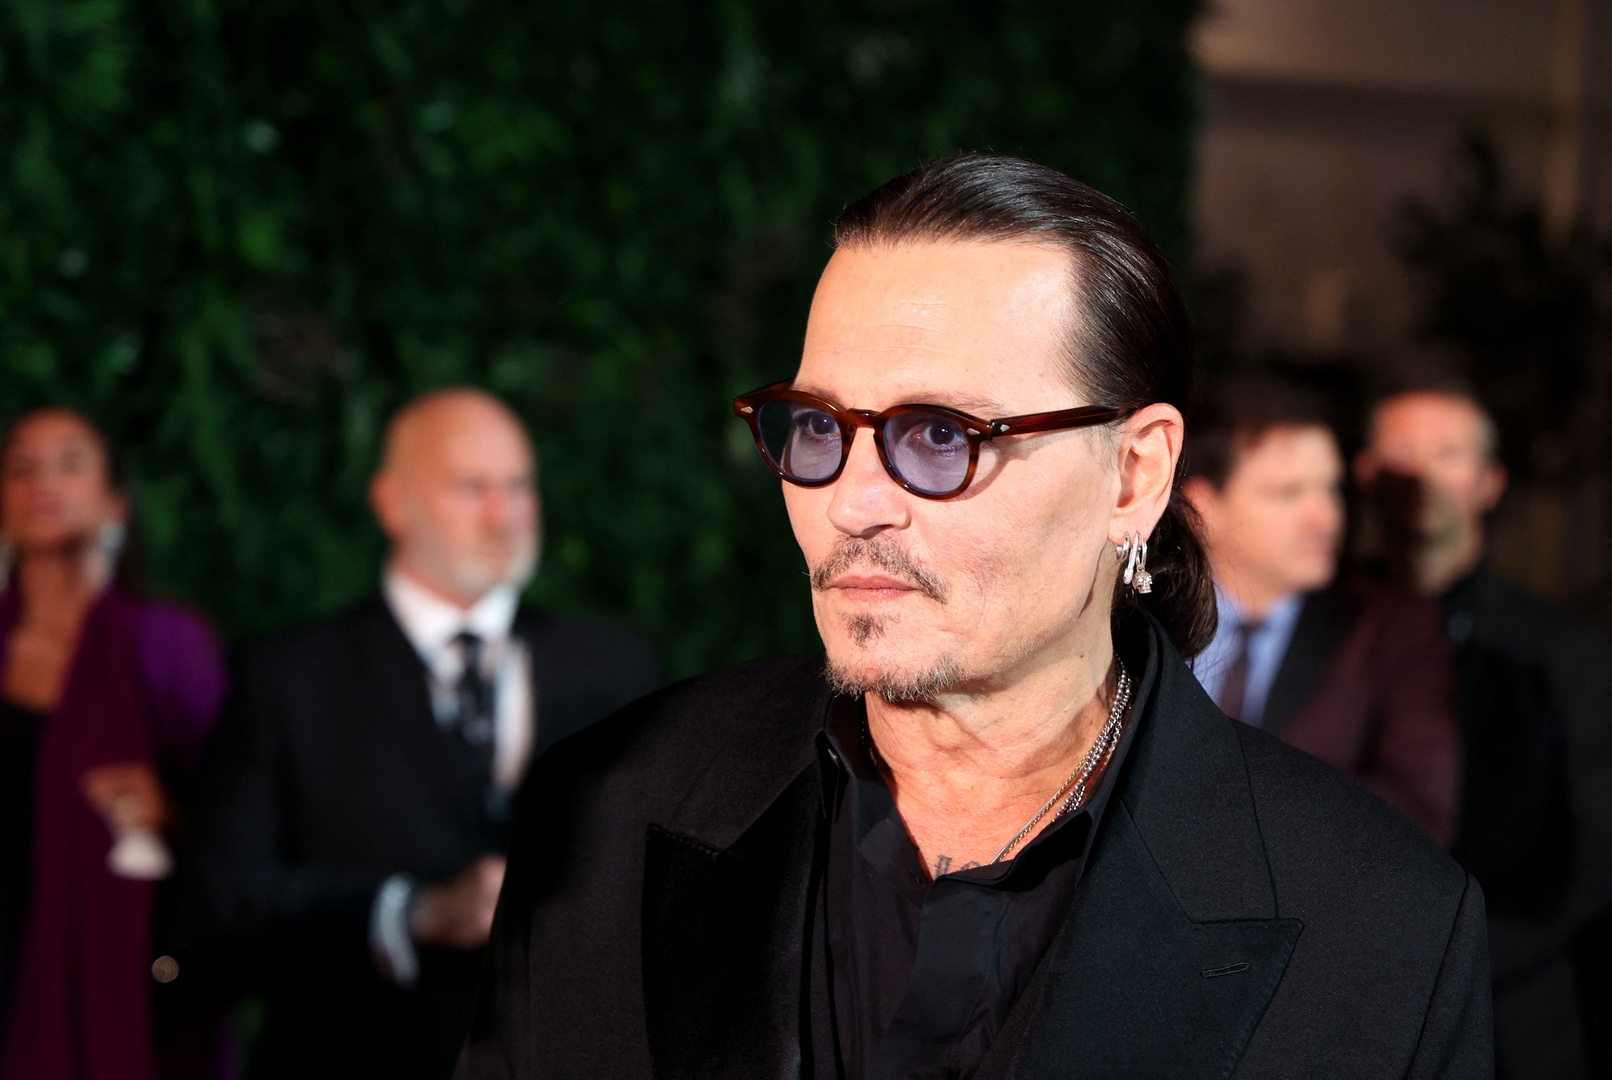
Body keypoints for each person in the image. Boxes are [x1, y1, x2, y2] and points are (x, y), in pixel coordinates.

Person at [458, 155, 1489, 1080]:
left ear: (1134, 476)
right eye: (819, 426)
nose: (853, 502)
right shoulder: (608, 811)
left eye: (941, 436)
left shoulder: (1380, 927)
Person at [191, 389, 661, 1080]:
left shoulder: (617, 667)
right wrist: (407, 913)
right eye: (472, 487)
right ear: (391, 503)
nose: (503, 514)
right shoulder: (287, 677)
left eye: (518, 486)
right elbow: (220, 910)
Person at [1359, 388, 1612, 1080]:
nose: (1422, 476)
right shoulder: (1314, 633)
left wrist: (1447, 964)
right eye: (1402, 453)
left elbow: (1593, 858)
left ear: (1490, 481)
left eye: (1447, 454)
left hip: (1517, 1027)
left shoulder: (1568, 656)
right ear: (1366, 473)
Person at [0, 408, 228, 1080]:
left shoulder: (165, 641)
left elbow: (241, 799)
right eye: (20, 467)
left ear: (115, 503)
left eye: (69, 464)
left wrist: (174, 809)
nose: (42, 482)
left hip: (125, 956)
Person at [1180, 380, 1461, 845]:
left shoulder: (1392, 626)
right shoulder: (1142, 613)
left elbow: (1423, 809)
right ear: (1202, 506)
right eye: (1288, 493)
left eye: (1331, 488)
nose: (1326, 518)